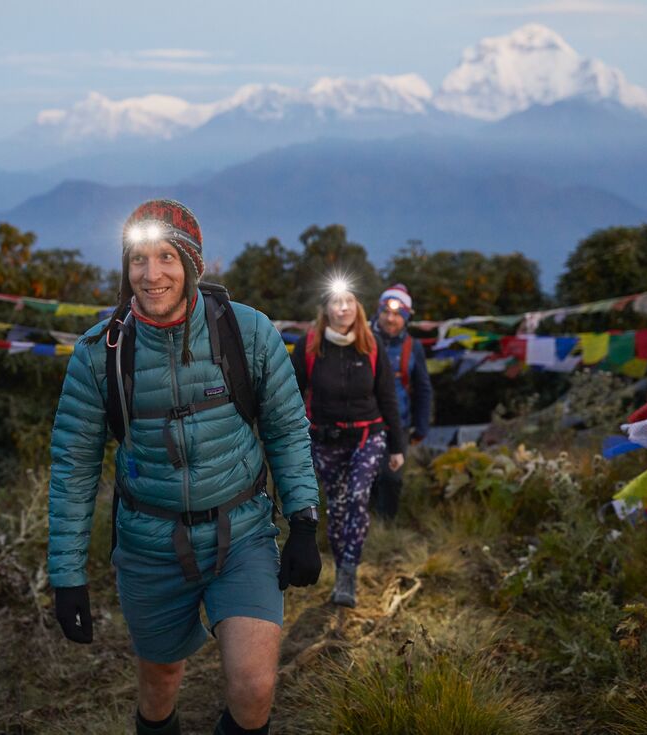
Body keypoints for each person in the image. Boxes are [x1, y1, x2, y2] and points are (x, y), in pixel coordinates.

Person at [48, 199, 321, 735]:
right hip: (150, 546)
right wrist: (67, 577)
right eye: (138, 260)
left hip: (241, 534)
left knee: (254, 689)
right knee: (160, 684)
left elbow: (287, 429)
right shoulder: (98, 355)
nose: (152, 275)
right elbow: (74, 468)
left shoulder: (250, 335)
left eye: (167, 257)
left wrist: (304, 522)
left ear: (192, 264)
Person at [291, 280, 404, 608]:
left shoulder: (371, 345)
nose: (343, 308)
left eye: (349, 301)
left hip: (368, 437)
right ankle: (342, 568)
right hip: (325, 440)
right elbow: (290, 394)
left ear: (358, 307)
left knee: (357, 499)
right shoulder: (309, 346)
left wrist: (397, 447)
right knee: (338, 510)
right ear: (325, 308)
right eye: (336, 302)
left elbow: (387, 397)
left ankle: (349, 573)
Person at [368, 284, 432, 521]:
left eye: (397, 314)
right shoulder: (362, 339)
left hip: (398, 423)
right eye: (386, 312)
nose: (390, 319)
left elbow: (423, 388)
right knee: (368, 477)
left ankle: (386, 526)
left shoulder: (412, 347)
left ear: (406, 318)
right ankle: (366, 525)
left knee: (392, 477)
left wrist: (421, 425)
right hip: (364, 421)